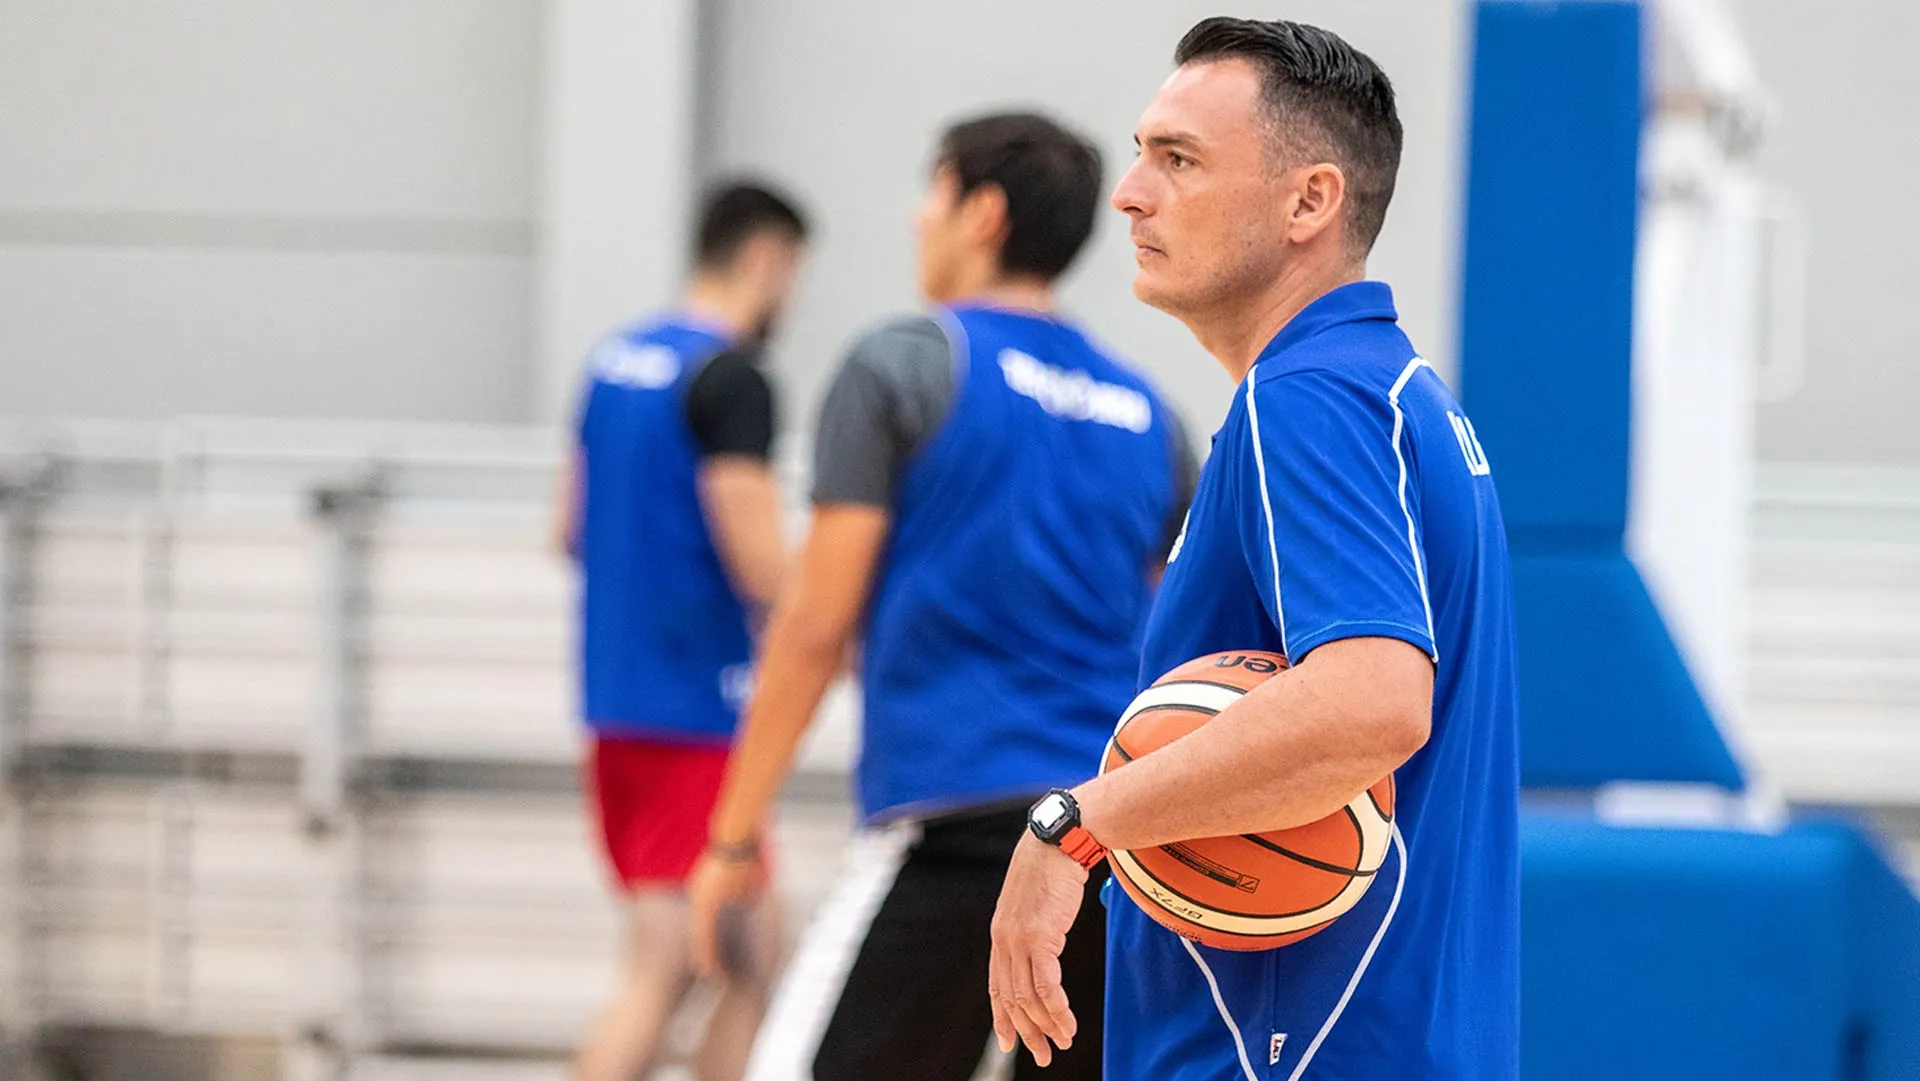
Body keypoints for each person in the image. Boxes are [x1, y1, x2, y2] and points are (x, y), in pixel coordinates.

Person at [988, 17, 1520, 1081]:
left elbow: (1373, 700)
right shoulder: (1395, 394)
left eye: (1177, 159)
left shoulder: (1309, 401)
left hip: (1291, 1047)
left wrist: (1073, 826)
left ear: (1310, 201)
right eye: (1141, 154)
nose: (1130, 192)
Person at [685, 112, 1198, 1081]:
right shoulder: (1153, 415)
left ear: (982, 213)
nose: (918, 220)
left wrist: (731, 831)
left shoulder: (904, 365)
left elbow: (812, 625)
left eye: (932, 194)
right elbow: (1176, 660)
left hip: (950, 828)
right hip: (1106, 845)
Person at [555, 180, 810, 1081]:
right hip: (694, 715)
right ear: (765, 258)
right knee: (675, 962)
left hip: (616, 709)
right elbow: (761, 566)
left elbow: (566, 529)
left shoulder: (614, 362)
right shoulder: (730, 378)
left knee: (747, 952)